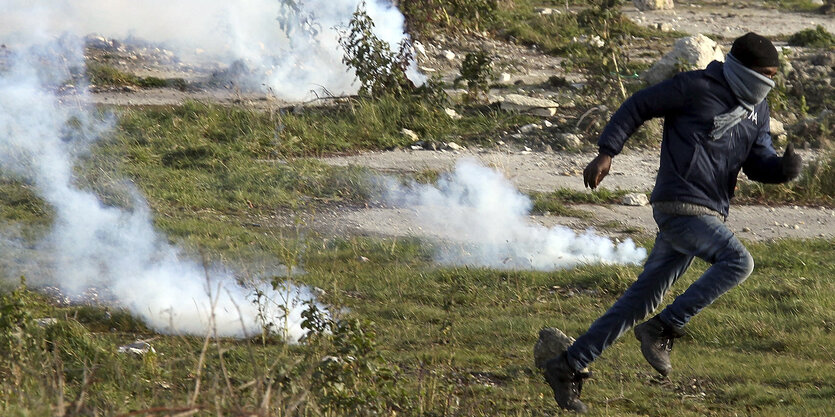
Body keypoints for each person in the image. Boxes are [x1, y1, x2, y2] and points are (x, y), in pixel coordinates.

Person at [543, 32, 803, 413]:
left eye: (774, 76)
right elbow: (638, 105)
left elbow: (757, 159)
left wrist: (781, 170)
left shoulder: (756, 108)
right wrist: (606, 153)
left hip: (710, 210)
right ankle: (664, 327)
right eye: (765, 74)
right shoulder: (696, 87)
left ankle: (568, 365)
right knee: (738, 262)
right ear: (743, 69)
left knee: (642, 299)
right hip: (679, 202)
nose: (770, 83)